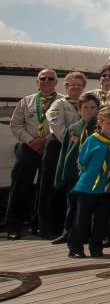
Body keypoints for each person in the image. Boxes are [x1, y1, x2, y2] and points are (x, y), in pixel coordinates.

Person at [5, 68, 59, 239]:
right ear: (37, 82)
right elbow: (16, 125)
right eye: (43, 78)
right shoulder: (26, 102)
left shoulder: (62, 102)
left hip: (50, 147)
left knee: (46, 188)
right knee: (20, 186)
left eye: (50, 79)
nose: (46, 81)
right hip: (28, 147)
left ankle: (40, 226)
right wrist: (30, 141)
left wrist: (46, 140)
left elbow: (66, 125)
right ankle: (13, 227)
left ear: (56, 82)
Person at [67, 104, 110, 258]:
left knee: (101, 220)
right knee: (82, 219)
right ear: (100, 122)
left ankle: (96, 246)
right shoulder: (92, 140)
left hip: (107, 187)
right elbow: (82, 161)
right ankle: (75, 247)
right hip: (89, 187)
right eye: (108, 123)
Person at [40, 71, 87, 239]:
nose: (75, 87)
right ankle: (47, 227)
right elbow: (57, 126)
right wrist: (70, 143)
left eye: (79, 85)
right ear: (66, 87)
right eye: (72, 84)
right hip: (59, 147)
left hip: (77, 150)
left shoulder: (86, 104)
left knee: (71, 190)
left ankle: (68, 226)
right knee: (52, 186)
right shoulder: (58, 104)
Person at [53, 92, 101, 247]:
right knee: (71, 204)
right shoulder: (73, 128)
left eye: (93, 107)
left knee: (89, 206)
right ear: (79, 109)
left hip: (91, 174)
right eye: (85, 107)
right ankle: (67, 232)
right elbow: (64, 153)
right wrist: (61, 175)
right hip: (73, 173)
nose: (89, 110)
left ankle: (87, 233)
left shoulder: (100, 128)